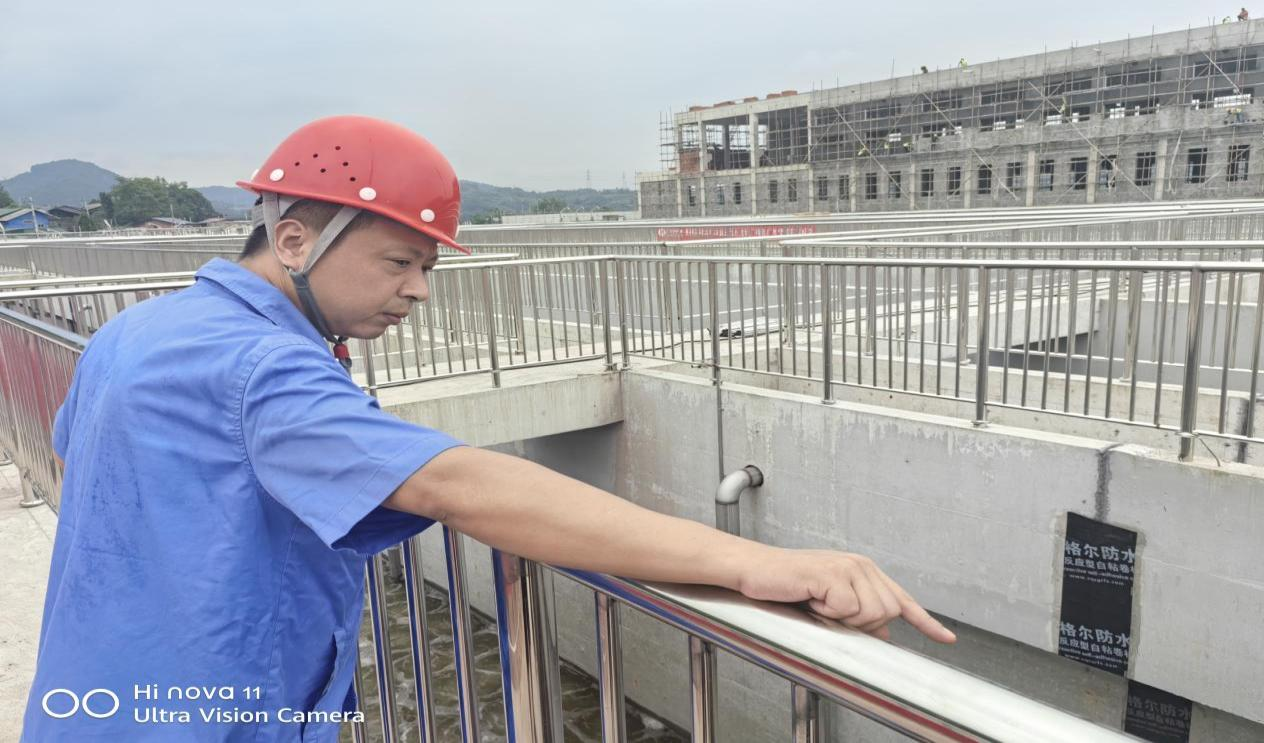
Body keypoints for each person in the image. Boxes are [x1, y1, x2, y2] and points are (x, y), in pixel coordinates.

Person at [21, 115, 955, 742]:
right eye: (399, 261)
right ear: (295, 238)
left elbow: (73, 457)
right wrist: (753, 562)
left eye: (428, 267)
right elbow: (456, 483)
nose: (418, 291)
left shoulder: (144, 328)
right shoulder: (263, 365)